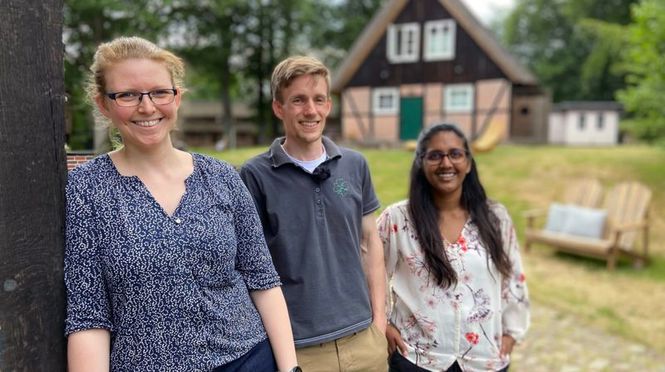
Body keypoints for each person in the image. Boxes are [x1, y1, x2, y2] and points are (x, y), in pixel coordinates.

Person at [64, 36, 299, 372]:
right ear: (103, 104)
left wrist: (290, 369)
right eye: (128, 95)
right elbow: (89, 314)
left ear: (177, 97)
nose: (147, 107)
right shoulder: (88, 189)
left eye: (160, 92)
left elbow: (263, 280)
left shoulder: (222, 177)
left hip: (248, 360)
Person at [239, 55, 388, 371]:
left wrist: (379, 322)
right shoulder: (255, 175)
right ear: (279, 107)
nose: (311, 110)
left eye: (319, 99)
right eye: (298, 100)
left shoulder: (355, 164)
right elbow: (250, 267)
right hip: (298, 350)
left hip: (364, 341)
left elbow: (370, 244)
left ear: (329, 105)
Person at [377, 123, 530, 372]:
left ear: (468, 163)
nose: (446, 163)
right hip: (418, 358)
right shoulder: (397, 219)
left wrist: (512, 331)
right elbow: (367, 272)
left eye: (455, 154)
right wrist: (382, 323)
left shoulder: (495, 217)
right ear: (420, 163)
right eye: (435, 155)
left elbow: (514, 278)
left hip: (484, 359)